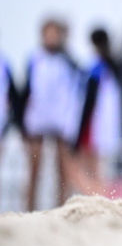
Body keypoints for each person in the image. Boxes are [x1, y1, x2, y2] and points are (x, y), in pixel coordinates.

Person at [21, 17, 100, 209]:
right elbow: (25, 92)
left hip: (61, 122)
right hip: (37, 121)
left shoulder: (69, 62)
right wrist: (22, 123)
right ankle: (30, 208)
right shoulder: (34, 60)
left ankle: (61, 207)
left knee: (63, 168)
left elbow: (78, 93)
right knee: (34, 166)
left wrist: (72, 123)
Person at [75, 28, 122, 192]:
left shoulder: (96, 67)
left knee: (90, 166)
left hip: (94, 123)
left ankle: (96, 194)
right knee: (100, 166)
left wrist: (79, 129)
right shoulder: (112, 66)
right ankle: (98, 193)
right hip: (107, 124)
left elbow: (89, 100)